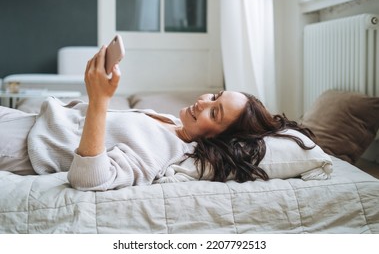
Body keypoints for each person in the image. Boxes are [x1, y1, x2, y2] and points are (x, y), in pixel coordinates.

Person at [0, 46, 315, 191]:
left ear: (218, 137)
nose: (202, 102)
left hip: (22, 145)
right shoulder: (171, 124)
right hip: (23, 118)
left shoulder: (165, 151)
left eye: (214, 112)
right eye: (215, 96)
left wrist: (99, 100)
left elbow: (90, 179)